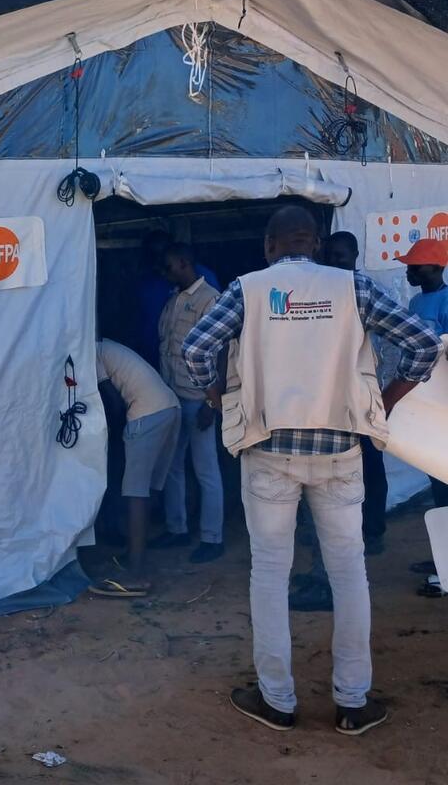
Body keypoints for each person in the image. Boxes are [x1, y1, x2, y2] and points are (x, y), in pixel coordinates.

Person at [181, 205, 441, 736]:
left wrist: (215, 395)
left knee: (270, 574)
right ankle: (353, 702)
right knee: (349, 573)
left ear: (269, 246)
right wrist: (385, 401)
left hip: (268, 449)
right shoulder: (353, 287)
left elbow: (197, 347)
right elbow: (420, 344)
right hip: (341, 451)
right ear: (317, 244)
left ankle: (276, 700)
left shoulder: (247, 289)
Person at [290, 231, 389, 612]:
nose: (336, 261)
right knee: (329, 498)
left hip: (358, 407)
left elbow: (399, 346)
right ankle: (328, 575)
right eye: (330, 254)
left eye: (342, 256)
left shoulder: (365, 291)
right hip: (328, 410)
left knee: (345, 491)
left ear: (356, 255)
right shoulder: (317, 290)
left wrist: (384, 400)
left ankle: (328, 581)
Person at [90, 338, 181, 598]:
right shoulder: (109, 347)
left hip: (146, 413)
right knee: (147, 489)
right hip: (169, 407)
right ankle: (136, 552)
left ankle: (137, 574)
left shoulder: (92, 353)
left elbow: (115, 403)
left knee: (134, 493)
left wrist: (109, 436)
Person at [154, 242, 224, 563]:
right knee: (172, 466)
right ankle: (177, 528)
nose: (163, 272)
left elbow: (220, 352)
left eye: (168, 266)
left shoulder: (209, 300)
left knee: (206, 469)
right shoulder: (173, 299)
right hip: (173, 395)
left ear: (184, 263)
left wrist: (214, 402)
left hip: (199, 399)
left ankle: (213, 537)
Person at [396, 238, 448, 578]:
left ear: (435, 267)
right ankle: (442, 561)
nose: (409, 272)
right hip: (426, 409)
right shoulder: (416, 302)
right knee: (439, 491)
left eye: (415, 266)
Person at [133, 230, 219, 369]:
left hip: (192, 371)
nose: (158, 262)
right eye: (152, 256)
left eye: (162, 256)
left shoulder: (205, 282)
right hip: (158, 363)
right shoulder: (149, 283)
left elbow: (217, 341)